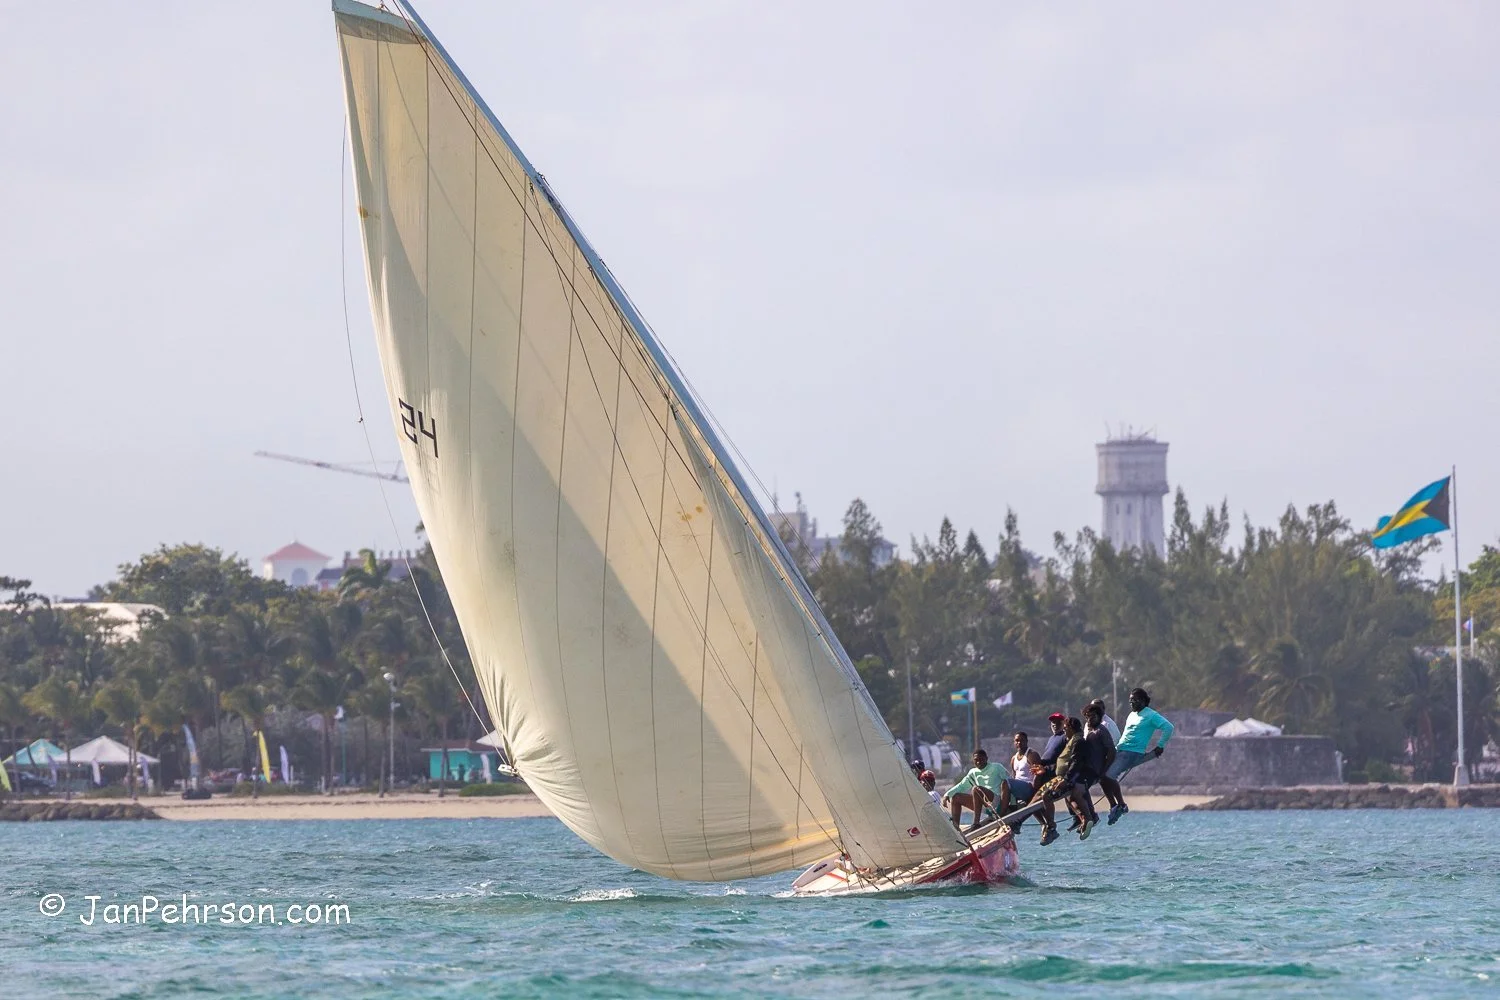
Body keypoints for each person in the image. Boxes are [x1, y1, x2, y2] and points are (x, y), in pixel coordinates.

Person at [1104, 688, 1175, 823]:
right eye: (1130, 701)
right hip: (1120, 749)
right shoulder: (1132, 715)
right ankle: (1115, 805)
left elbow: (1168, 727)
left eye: (1134, 701)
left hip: (1133, 752)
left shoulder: (1151, 715)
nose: (1131, 703)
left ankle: (1120, 806)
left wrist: (1161, 745)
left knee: (1109, 775)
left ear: (1143, 701)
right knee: (1102, 776)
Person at [1033, 718, 1086, 846]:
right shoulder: (1056, 738)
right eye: (1052, 723)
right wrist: (1043, 768)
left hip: (1062, 777)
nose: (1056, 726)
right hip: (1054, 774)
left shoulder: (1072, 739)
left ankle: (1053, 826)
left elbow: (1074, 762)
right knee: (1033, 802)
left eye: (1060, 724)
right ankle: (1047, 825)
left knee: (1046, 796)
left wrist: (1066, 779)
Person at [1076, 704, 1117, 836]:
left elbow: (1111, 751)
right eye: (1087, 717)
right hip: (1087, 767)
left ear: (1099, 716)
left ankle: (1090, 817)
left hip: (1095, 769)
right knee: (1074, 788)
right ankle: (1085, 816)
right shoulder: (1089, 729)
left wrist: (1104, 770)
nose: (1089, 719)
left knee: (1078, 789)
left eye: (1092, 716)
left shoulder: (1101, 730)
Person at [942, 748, 1005, 832]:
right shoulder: (973, 772)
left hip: (996, 801)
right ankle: (955, 829)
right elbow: (961, 786)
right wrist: (947, 795)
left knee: (976, 789)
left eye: (981, 759)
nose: (978, 762)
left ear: (986, 758)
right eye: (976, 760)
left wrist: (1012, 803)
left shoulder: (996, 767)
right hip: (982, 805)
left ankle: (976, 823)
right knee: (956, 797)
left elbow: (1008, 782)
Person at [997, 731, 1034, 819]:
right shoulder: (1014, 758)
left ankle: (1001, 813)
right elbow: (1014, 776)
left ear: (1026, 741)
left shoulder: (1031, 755)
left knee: (1006, 782)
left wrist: (1035, 791)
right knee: (1001, 783)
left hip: (1028, 787)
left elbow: (1038, 775)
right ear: (1014, 742)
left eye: (1022, 740)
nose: (1019, 743)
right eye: (1017, 741)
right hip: (1018, 788)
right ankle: (1008, 810)